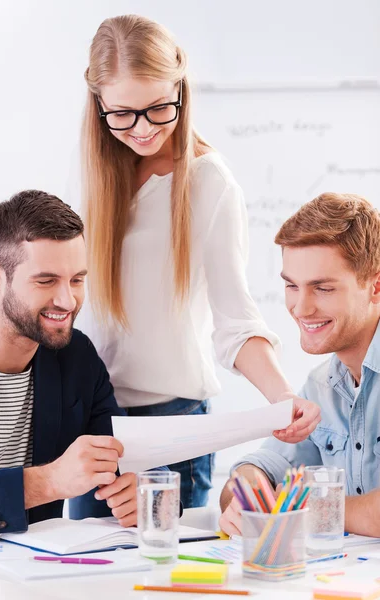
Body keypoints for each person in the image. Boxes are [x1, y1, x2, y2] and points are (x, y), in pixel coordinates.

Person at [68, 14, 320, 510]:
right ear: (99, 105)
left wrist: (281, 398)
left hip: (174, 427)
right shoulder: (95, 173)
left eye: (159, 107)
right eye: (122, 113)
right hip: (96, 426)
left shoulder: (208, 182)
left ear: (181, 89)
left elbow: (235, 318)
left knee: (173, 579)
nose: (142, 129)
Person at [219, 192, 380, 537]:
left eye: (322, 288)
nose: (301, 308)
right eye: (292, 286)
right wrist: (248, 496)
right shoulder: (323, 385)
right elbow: (254, 471)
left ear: (375, 286)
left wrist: (295, 508)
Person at [0, 190, 139, 537]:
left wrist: (136, 492)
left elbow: (122, 456)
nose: (67, 300)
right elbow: (53, 482)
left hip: (35, 572)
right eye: (46, 280)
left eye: (77, 280)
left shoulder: (77, 355)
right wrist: (46, 482)